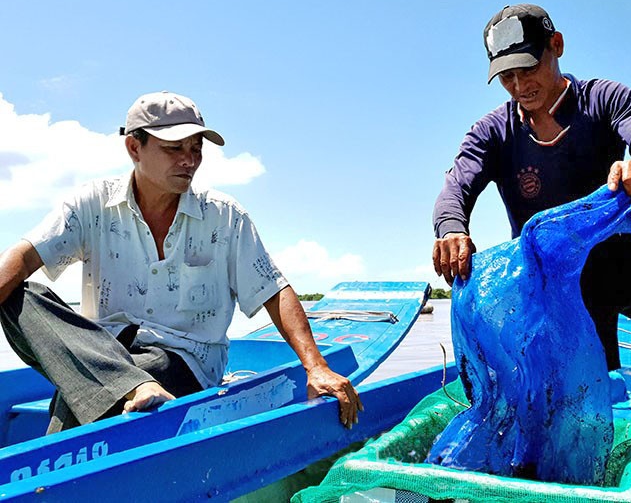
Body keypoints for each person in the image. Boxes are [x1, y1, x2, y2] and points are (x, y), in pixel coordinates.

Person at [0, 91, 362, 433]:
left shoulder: (224, 215)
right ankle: (131, 387)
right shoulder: (92, 203)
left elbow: (273, 290)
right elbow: (25, 255)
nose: (189, 160)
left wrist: (316, 367)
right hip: (102, 352)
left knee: (80, 396)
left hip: (183, 360)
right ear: (133, 147)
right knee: (20, 292)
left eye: (196, 148)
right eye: (174, 149)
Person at [432, 4, 631, 417]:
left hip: (622, 262)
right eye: (507, 76)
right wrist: (452, 227)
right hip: (552, 287)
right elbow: (456, 187)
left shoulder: (605, 99)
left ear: (556, 46)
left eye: (528, 68)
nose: (519, 85)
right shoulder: (492, 131)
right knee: (584, 403)